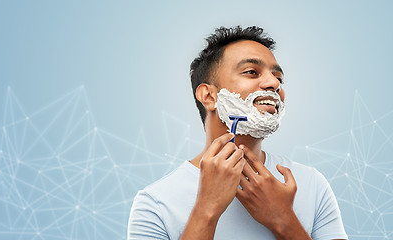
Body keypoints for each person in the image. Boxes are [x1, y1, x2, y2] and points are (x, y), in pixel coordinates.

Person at [127, 26, 348, 240]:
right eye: (251, 72)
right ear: (209, 96)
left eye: (278, 78)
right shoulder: (155, 203)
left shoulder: (310, 183)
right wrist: (207, 208)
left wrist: (284, 220)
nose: (274, 84)